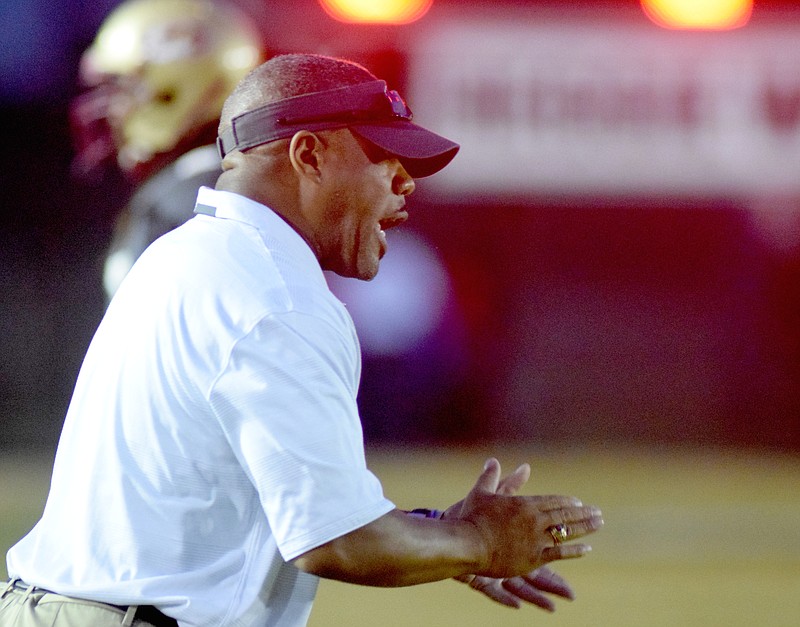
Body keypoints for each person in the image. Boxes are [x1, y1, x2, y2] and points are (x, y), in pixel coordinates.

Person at [2, 53, 603, 626]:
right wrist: (480, 542)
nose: (406, 182)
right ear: (309, 154)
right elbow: (336, 541)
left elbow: (255, 497)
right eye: (381, 155)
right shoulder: (277, 296)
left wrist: (437, 534)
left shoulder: (189, 252)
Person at [69, 0, 263, 299]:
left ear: (173, 93)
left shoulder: (188, 201)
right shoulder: (212, 184)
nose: (110, 108)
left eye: (122, 86)